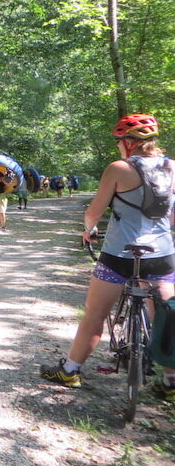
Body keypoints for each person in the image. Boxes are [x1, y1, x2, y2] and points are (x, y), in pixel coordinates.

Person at [40, 113, 175, 398]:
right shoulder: (172, 167)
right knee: (164, 316)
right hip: (162, 254)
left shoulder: (118, 168)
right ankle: (170, 380)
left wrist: (88, 231)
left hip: (118, 254)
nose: (118, 147)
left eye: (119, 142)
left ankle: (70, 370)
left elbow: (94, 212)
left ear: (128, 142)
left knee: (95, 315)